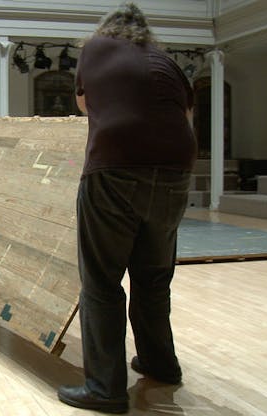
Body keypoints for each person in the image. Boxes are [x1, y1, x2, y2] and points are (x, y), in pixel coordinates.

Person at [57, 3, 197, 414]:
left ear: (108, 29)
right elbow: (184, 114)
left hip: (115, 166)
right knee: (154, 277)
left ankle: (105, 389)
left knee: (101, 280)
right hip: (176, 170)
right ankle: (161, 364)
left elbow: (85, 104)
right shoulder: (166, 62)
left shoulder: (96, 47)